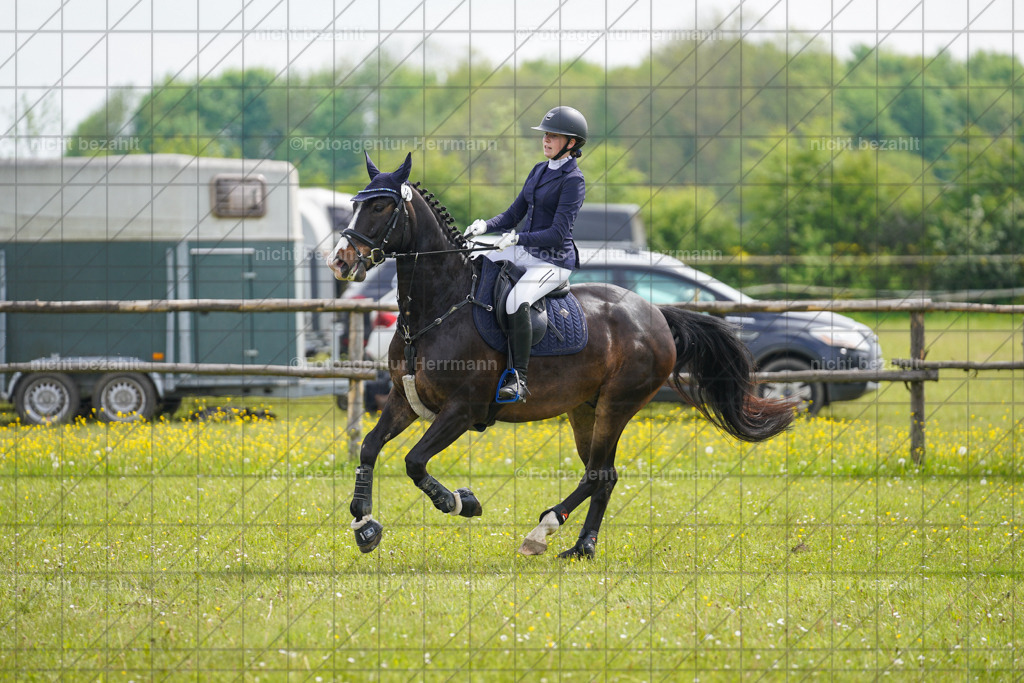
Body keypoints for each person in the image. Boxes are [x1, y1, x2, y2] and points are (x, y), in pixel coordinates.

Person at [465, 106, 588, 402]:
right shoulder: (539, 170)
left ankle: (518, 377)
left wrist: (517, 238)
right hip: (525, 251)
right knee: (474, 261)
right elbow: (513, 214)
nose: (546, 140)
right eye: (545, 135)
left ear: (571, 143)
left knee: (517, 300)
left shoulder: (573, 180)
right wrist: (485, 226)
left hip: (553, 260)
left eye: (553, 136)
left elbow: (557, 232)